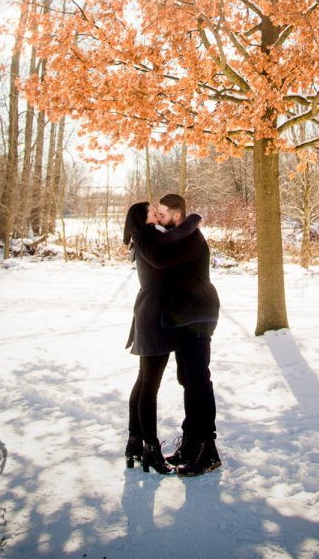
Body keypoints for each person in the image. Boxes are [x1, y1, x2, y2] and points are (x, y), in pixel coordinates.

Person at [129, 193, 221, 477]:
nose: (158, 216)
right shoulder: (176, 237)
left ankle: (207, 448)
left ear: (177, 216)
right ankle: (191, 441)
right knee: (187, 380)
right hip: (184, 318)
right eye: (155, 212)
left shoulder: (191, 238)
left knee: (198, 380)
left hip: (198, 315)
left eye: (163, 213)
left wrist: (192, 221)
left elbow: (161, 258)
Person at [123, 200, 199, 475]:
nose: (157, 213)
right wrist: (193, 220)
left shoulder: (144, 238)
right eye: (152, 212)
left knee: (144, 380)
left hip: (151, 313)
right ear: (143, 220)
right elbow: (167, 255)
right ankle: (150, 447)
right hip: (155, 318)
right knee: (149, 385)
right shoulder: (149, 238)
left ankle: (135, 440)